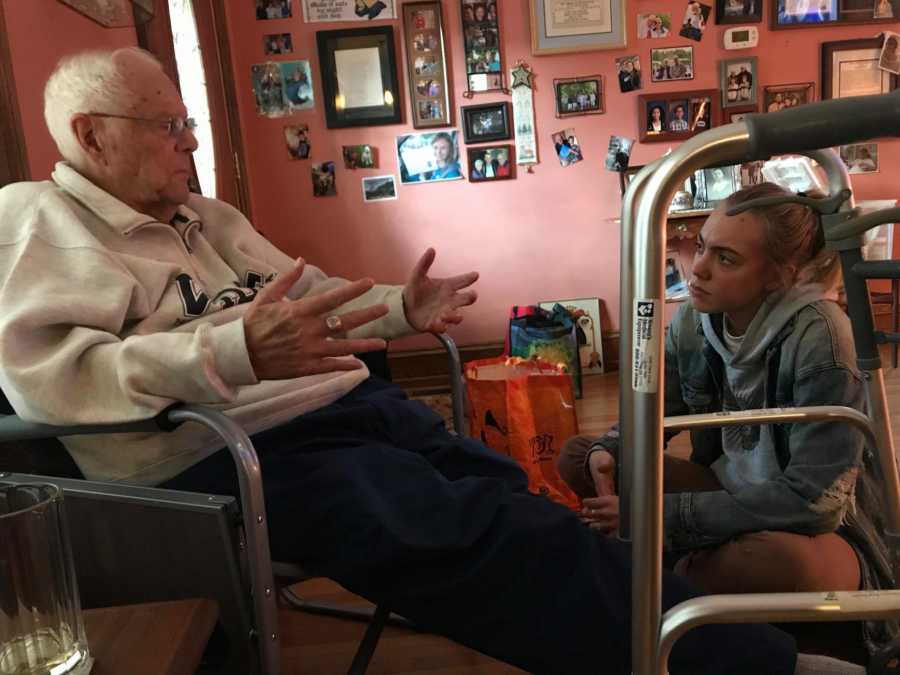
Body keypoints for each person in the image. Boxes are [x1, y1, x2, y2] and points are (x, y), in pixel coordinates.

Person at [0, 47, 870, 675]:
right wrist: (232, 349)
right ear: (90, 134)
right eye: (169, 126)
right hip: (229, 451)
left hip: (334, 409)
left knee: (514, 493)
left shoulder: (207, 216)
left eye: (189, 123)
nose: (189, 142)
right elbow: (49, 381)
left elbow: (313, 294)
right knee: (490, 536)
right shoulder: (38, 224)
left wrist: (397, 308)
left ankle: (659, 629)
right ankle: (747, 664)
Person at [558, 182, 897, 649]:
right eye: (701, 247)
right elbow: (658, 416)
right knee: (580, 455)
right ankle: (682, 573)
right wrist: (612, 451)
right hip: (726, 490)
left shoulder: (823, 336)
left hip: (820, 530)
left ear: (781, 274)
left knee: (776, 563)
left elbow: (815, 503)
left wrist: (662, 518)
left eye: (726, 258)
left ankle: (657, 580)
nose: (696, 269)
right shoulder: (691, 321)